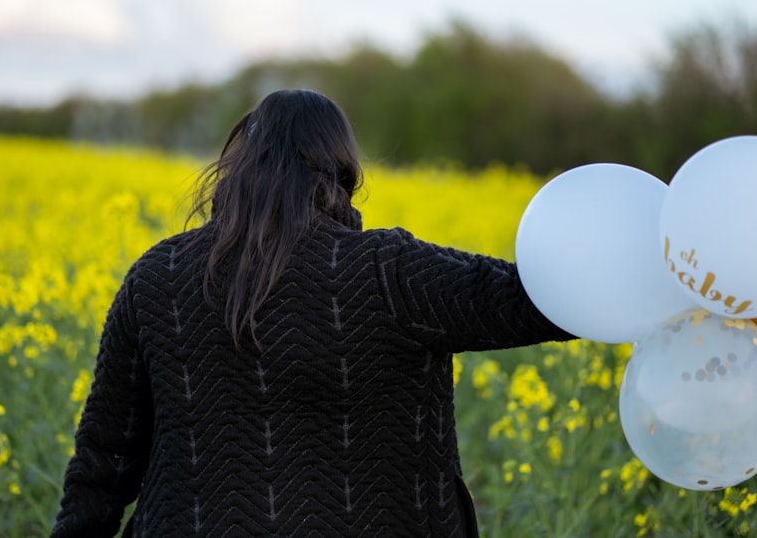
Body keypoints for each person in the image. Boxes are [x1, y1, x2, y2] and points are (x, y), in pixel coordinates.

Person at [49, 89, 573, 537]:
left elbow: (105, 458)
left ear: (237, 166)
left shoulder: (156, 275)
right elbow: (536, 301)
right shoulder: (390, 272)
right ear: (342, 167)